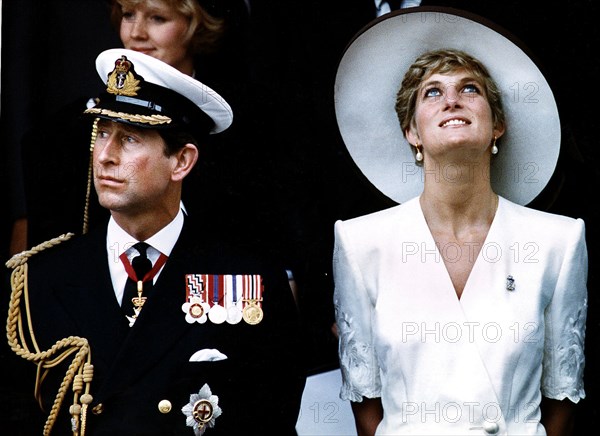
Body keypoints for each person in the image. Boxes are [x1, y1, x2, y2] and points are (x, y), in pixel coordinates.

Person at [4, 48, 306, 435]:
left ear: (181, 161)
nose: (105, 157)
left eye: (129, 138)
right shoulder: (39, 279)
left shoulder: (250, 280)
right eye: (103, 134)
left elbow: (271, 420)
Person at [332, 8, 587, 436]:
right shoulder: (360, 242)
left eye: (470, 89)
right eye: (432, 92)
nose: (452, 100)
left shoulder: (557, 240)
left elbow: (562, 395)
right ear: (411, 132)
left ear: (497, 126)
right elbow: (366, 402)